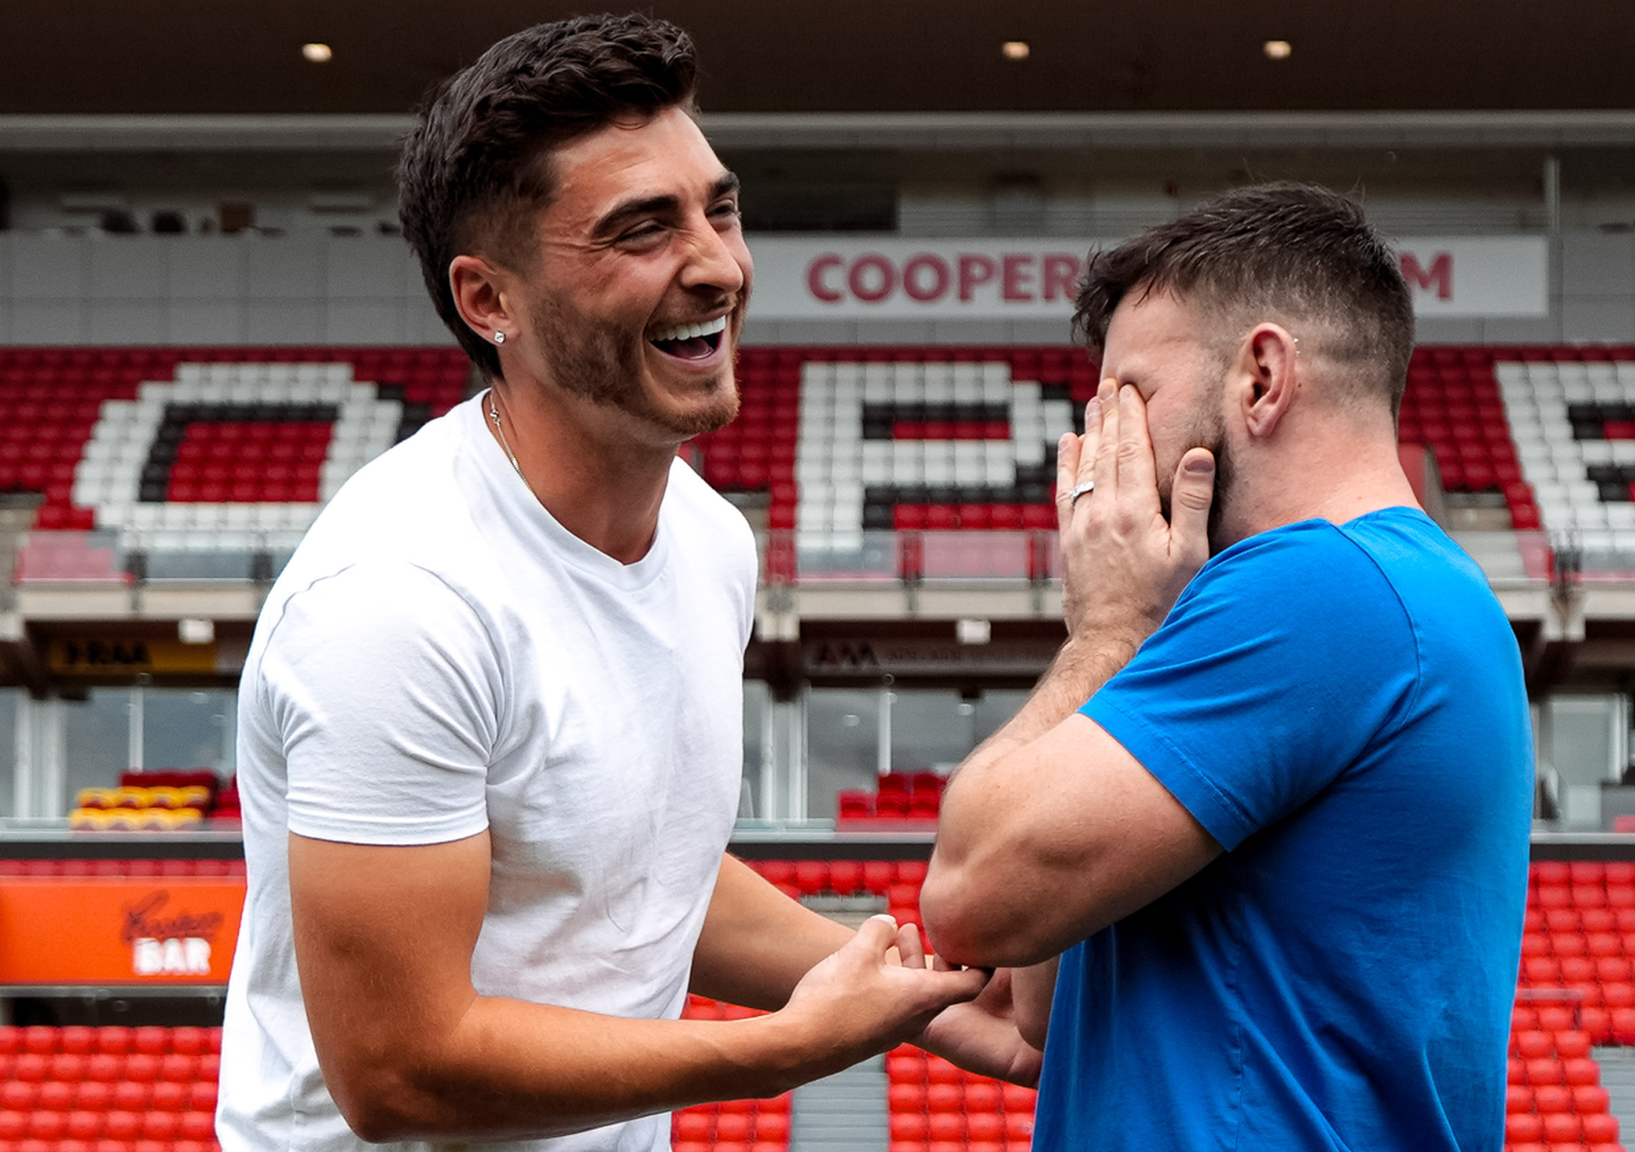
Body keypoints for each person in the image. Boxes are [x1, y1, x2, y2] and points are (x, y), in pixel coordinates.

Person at [218, 15, 1030, 1152]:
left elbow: (638, 879)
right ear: (487, 300)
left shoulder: (706, 538)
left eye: (719, 208)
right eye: (641, 230)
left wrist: (917, 994)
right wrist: (786, 1047)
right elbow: (398, 1072)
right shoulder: (393, 605)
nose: (718, 264)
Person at [921, 182, 1532, 1151]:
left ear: (1260, 377)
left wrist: (1104, 629)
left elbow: (973, 899)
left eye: (1127, 395)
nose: (1092, 448)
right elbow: (1036, 989)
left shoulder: (1317, 590)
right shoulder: (1413, 591)